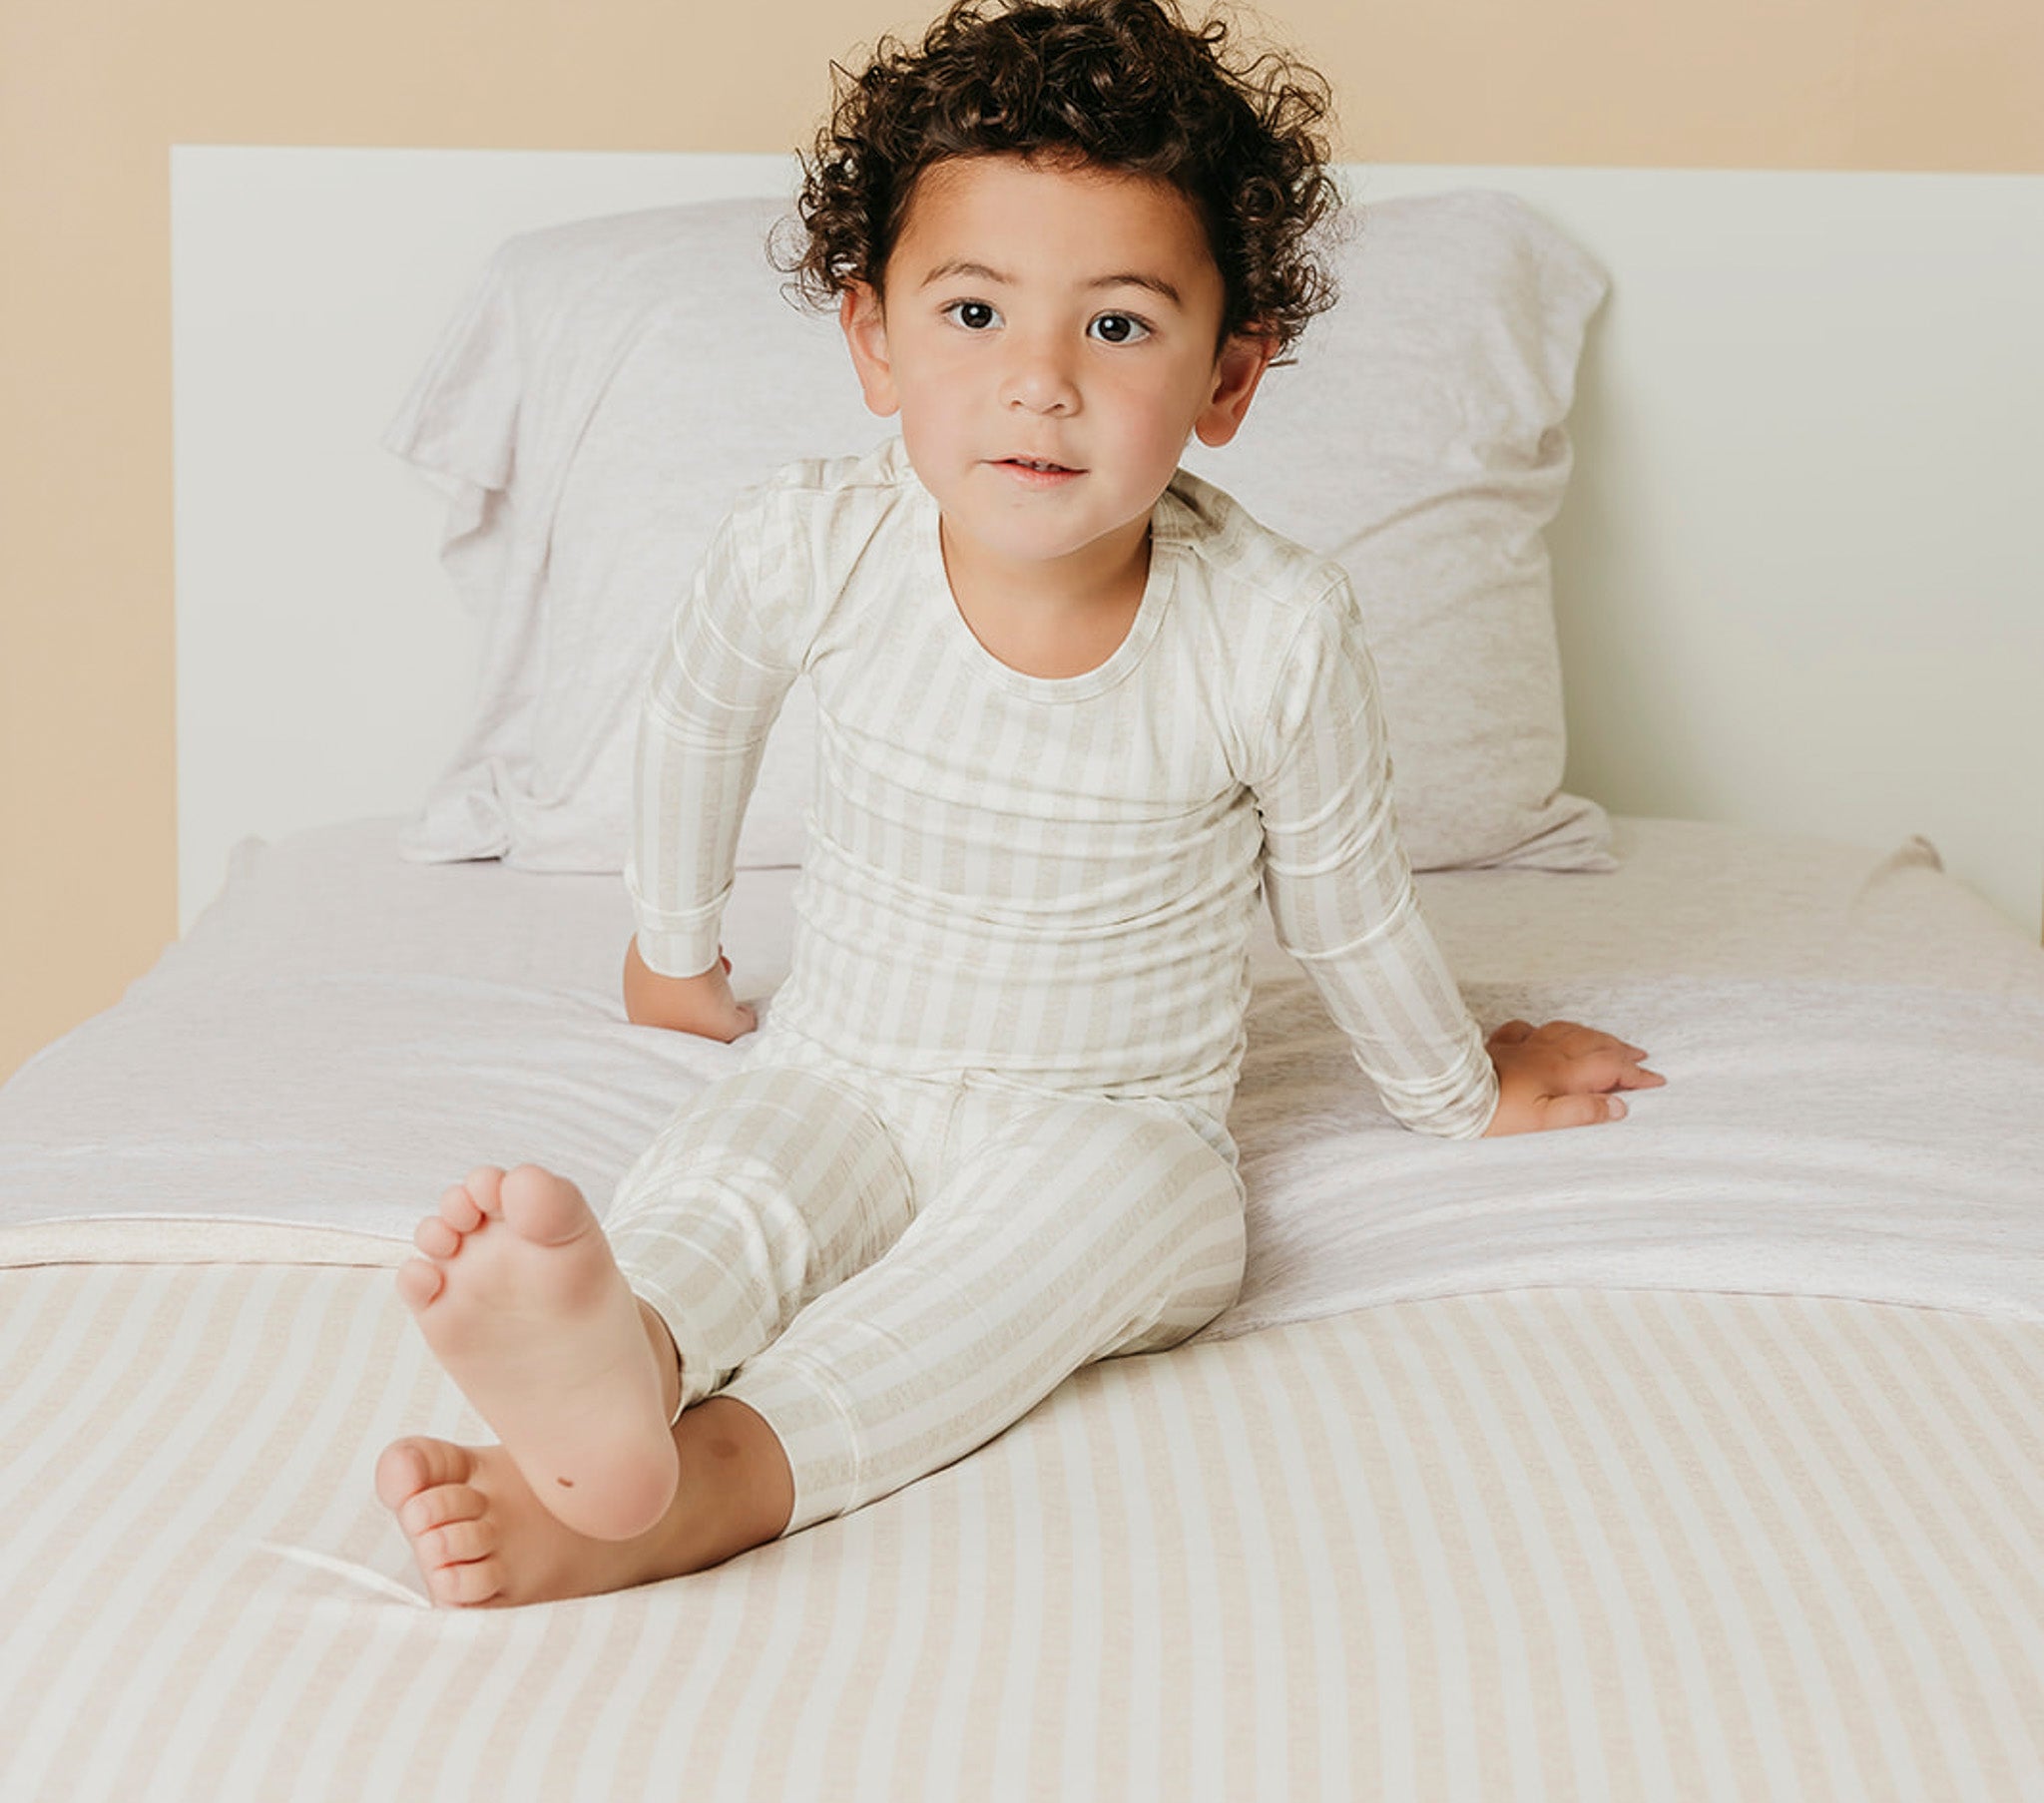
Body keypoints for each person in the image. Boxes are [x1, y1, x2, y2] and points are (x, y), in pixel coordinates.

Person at [374, 0, 1665, 1607]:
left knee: (1029, 1268)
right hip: (847, 1065)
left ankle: (706, 1484)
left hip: (1117, 1125)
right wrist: (672, 951)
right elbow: (697, 723)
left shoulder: (1272, 623)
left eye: (1117, 327)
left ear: (1229, 376)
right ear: (874, 340)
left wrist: (1459, 1090)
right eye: (975, 311)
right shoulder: (812, 544)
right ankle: (625, 1355)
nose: (1039, 383)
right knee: (742, 1172)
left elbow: (1348, 907)